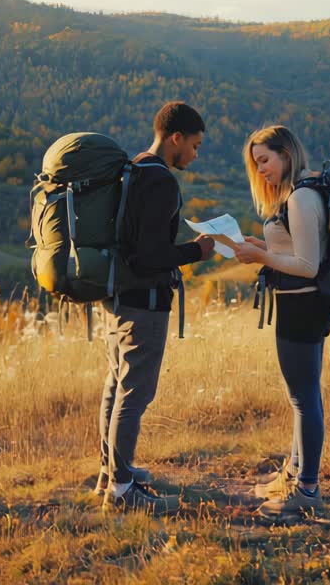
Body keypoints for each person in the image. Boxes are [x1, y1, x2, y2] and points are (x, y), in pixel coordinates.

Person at [97, 101, 215, 514]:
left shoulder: (135, 167)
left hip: (116, 298)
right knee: (135, 393)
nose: (195, 156)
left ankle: (111, 472)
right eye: (195, 146)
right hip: (143, 303)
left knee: (116, 386)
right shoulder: (162, 181)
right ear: (176, 138)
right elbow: (149, 255)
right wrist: (196, 251)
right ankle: (123, 489)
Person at [231, 125, 330, 519]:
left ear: (286, 155)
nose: (260, 170)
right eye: (255, 164)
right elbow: (293, 250)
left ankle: (307, 490)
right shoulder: (295, 197)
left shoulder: (302, 198)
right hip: (300, 304)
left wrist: (261, 258)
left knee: (304, 399)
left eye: (265, 160)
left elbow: (308, 266)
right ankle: (293, 474)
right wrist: (258, 246)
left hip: (304, 305)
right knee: (302, 396)